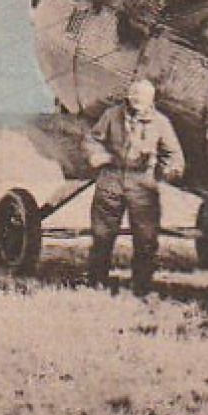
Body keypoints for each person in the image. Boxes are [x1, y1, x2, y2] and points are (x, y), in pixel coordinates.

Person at [83, 78, 185, 296]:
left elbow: (174, 155)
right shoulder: (112, 115)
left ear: (151, 100)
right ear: (129, 95)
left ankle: (142, 287)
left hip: (142, 184)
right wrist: (96, 155)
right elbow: (92, 139)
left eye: (144, 96)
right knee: (102, 235)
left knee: (146, 238)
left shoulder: (160, 122)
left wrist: (169, 170)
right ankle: (97, 283)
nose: (138, 99)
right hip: (111, 179)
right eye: (135, 94)